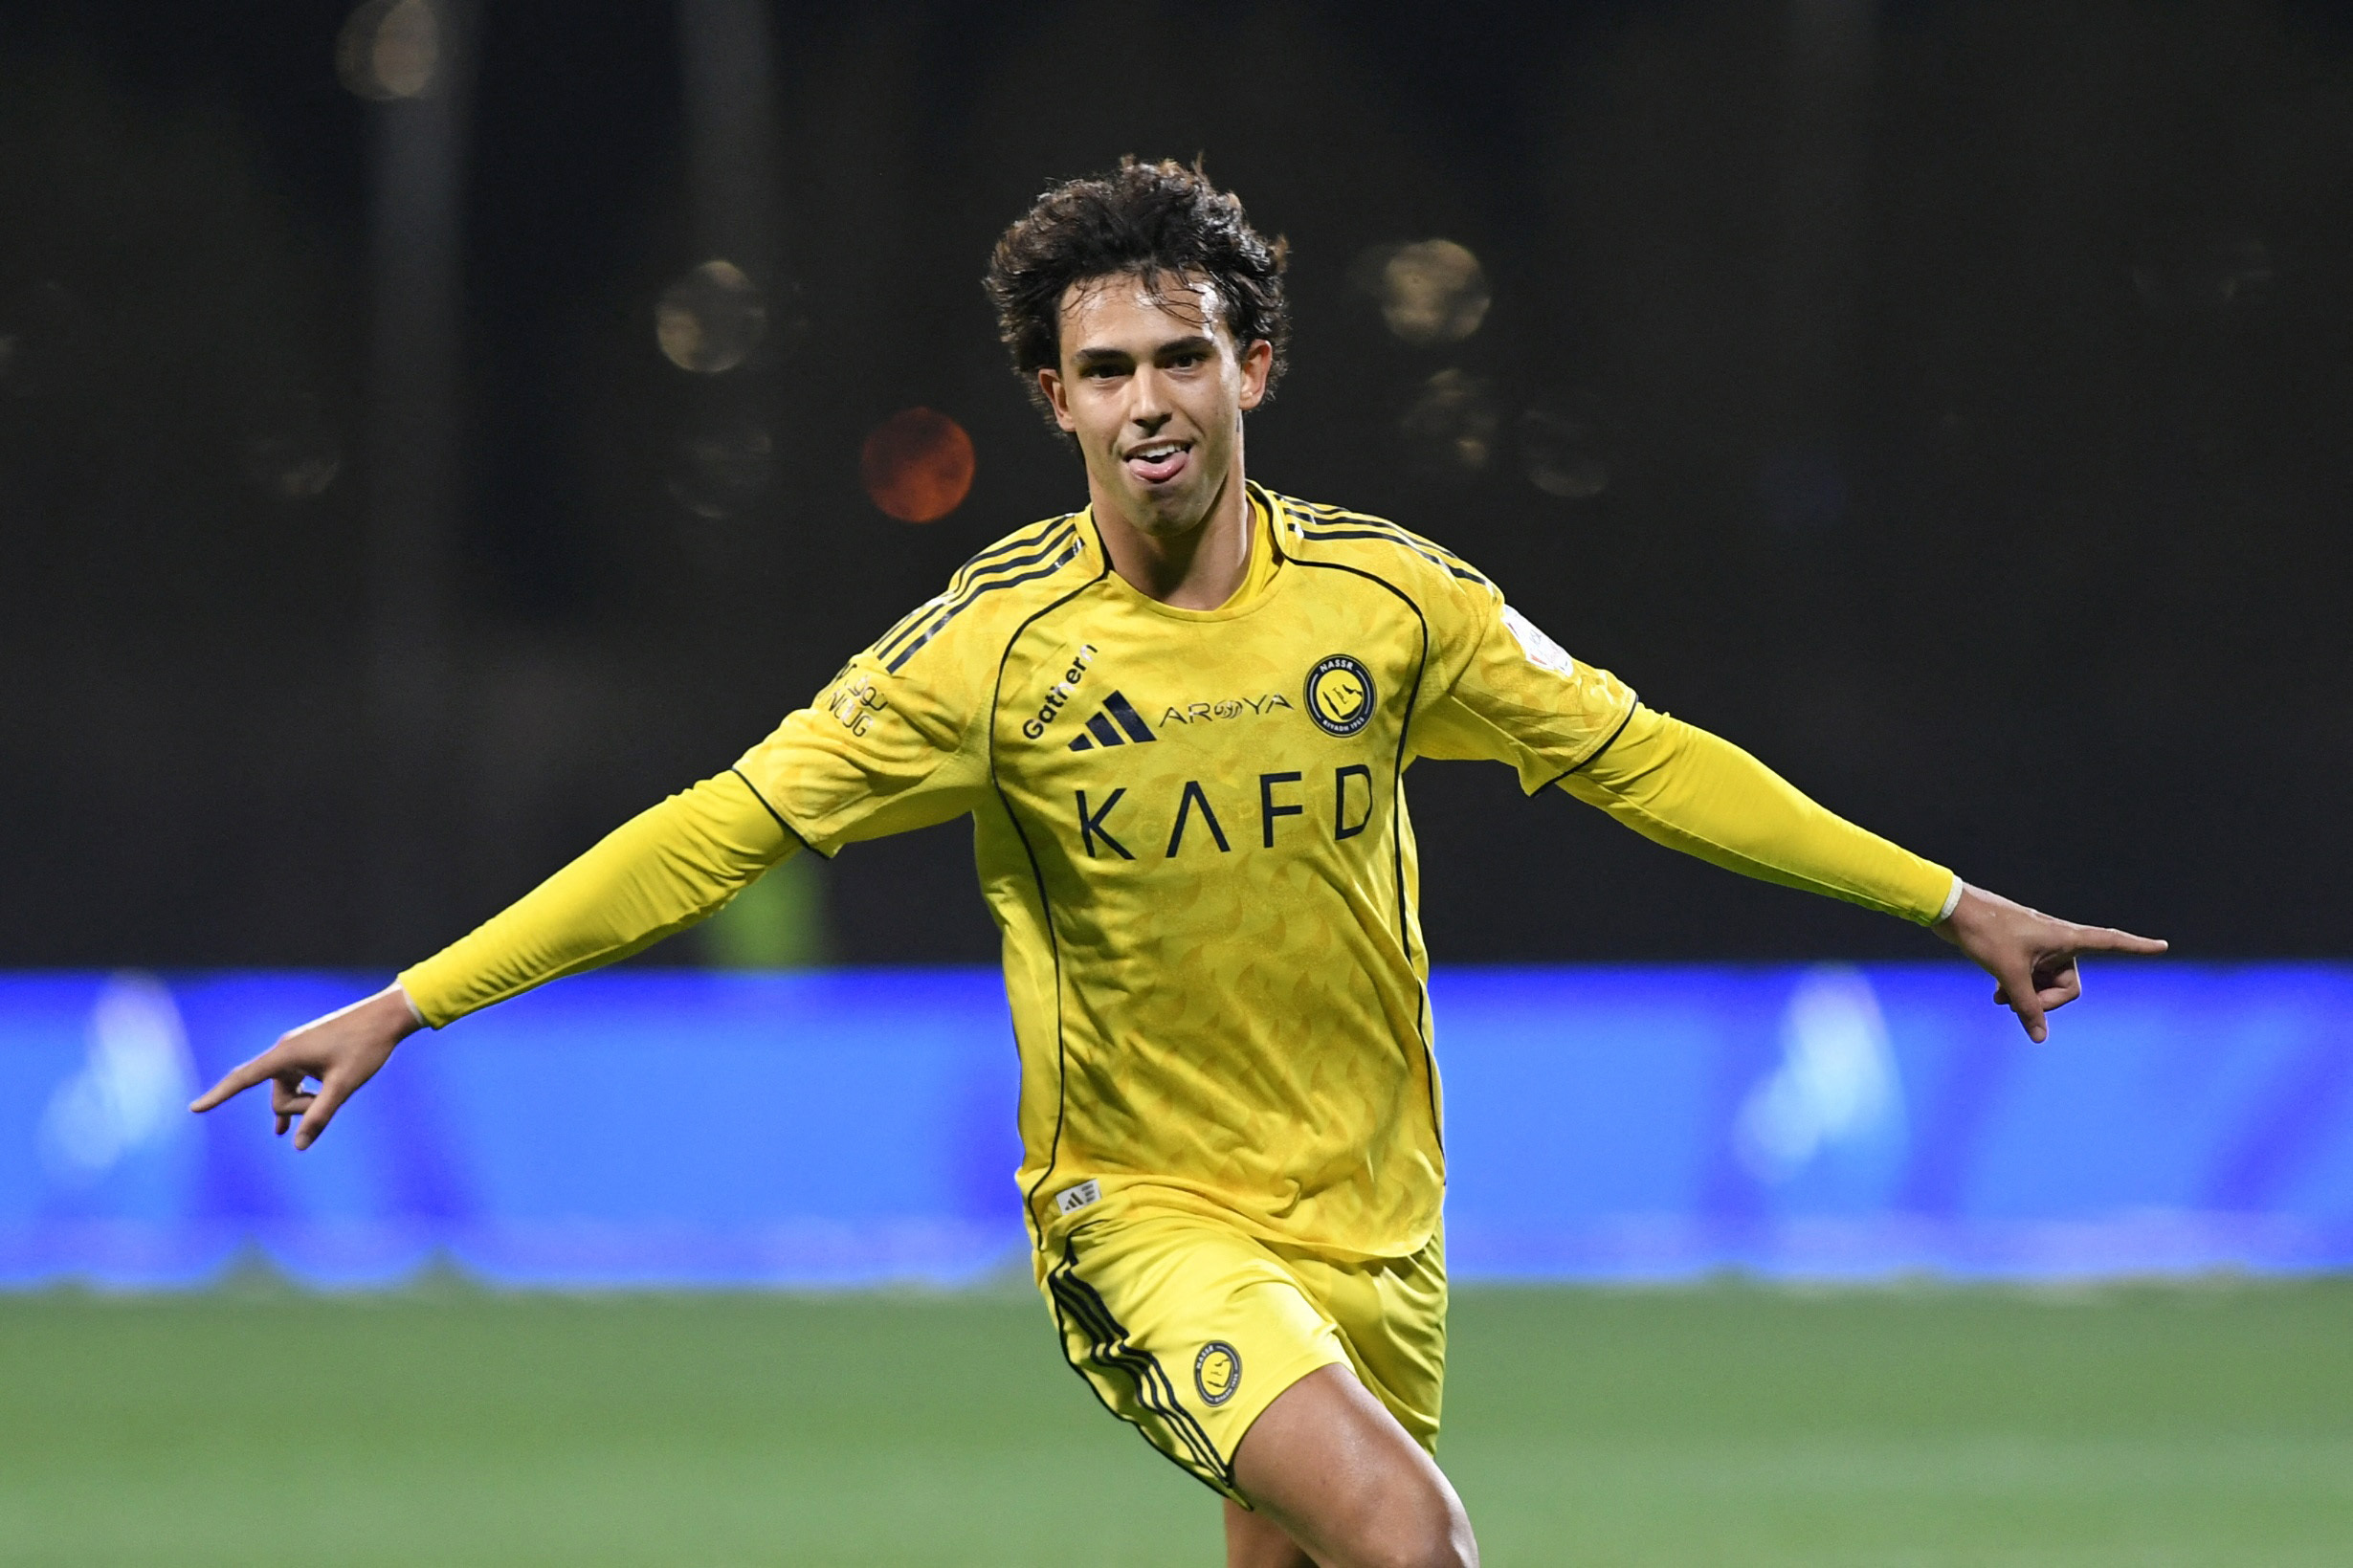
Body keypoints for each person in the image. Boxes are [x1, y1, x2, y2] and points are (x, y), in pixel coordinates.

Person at [192, 159, 2165, 1568]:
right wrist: (410, 998)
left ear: (1257, 371)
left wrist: (1949, 899)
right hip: (1138, 1216)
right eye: (1108, 370)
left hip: (1380, 1217)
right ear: (1050, 399)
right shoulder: (991, 650)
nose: (1149, 401)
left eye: (1183, 359)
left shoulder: (1397, 606)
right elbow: (713, 827)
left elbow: (1645, 762)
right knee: (1411, 1537)